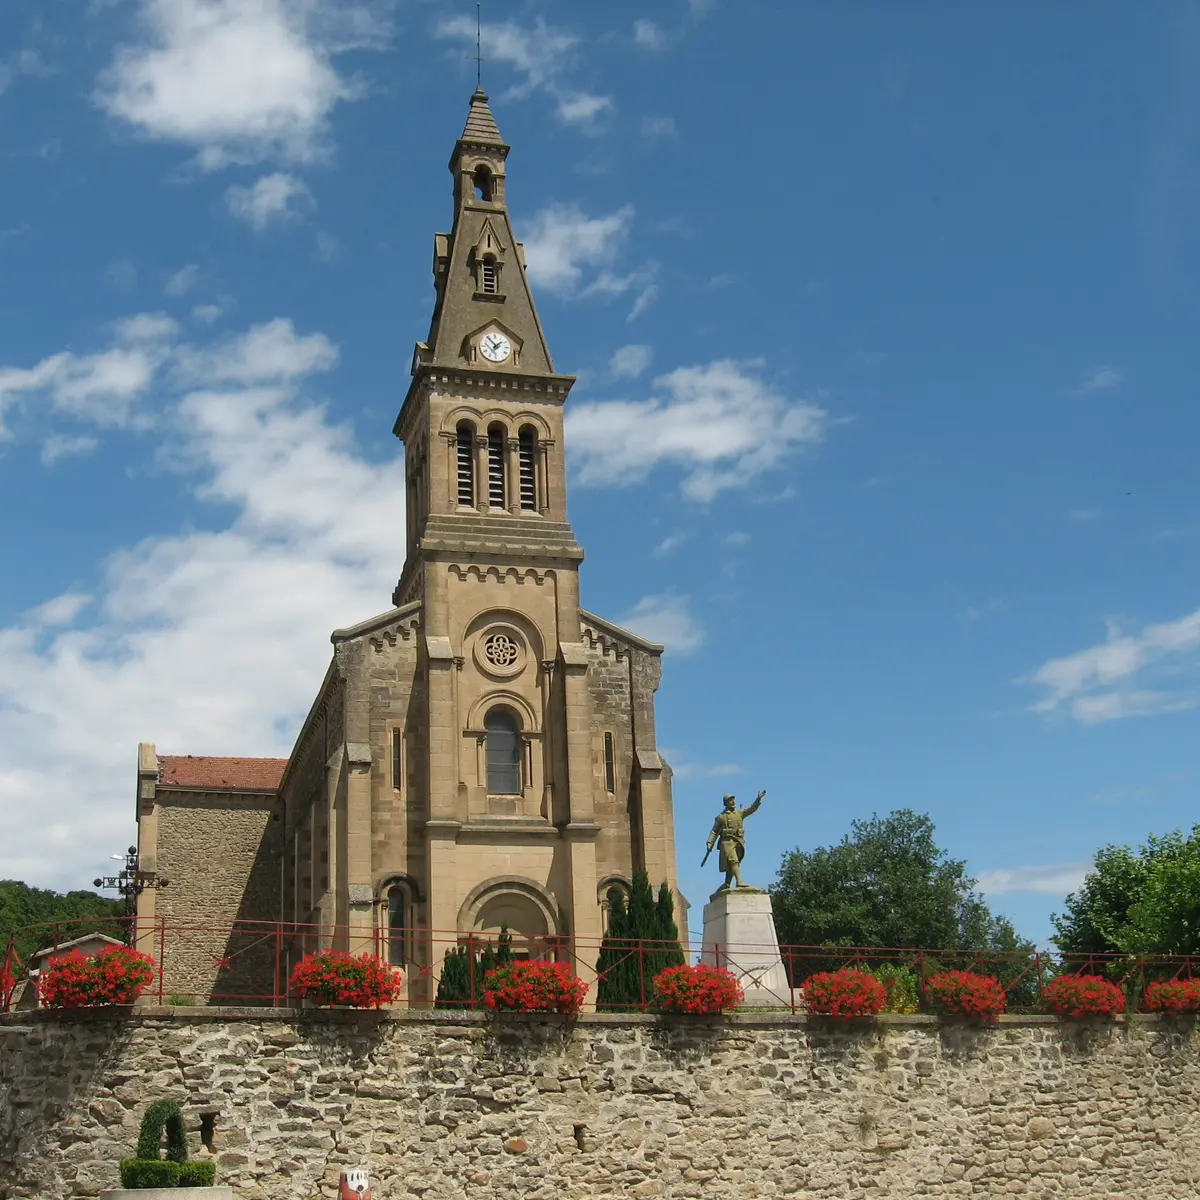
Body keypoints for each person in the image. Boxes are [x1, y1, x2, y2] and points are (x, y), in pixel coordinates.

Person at [704, 791, 765, 890]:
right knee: (733, 860)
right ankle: (739, 881)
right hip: (727, 842)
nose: (732, 801)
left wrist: (758, 799)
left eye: (733, 799)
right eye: (730, 800)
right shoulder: (721, 817)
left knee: (733, 864)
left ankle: (727, 883)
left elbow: (751, 809)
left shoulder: (739, 813)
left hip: (739, 841)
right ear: (725, 803)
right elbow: (714, 831)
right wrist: (709, 842)